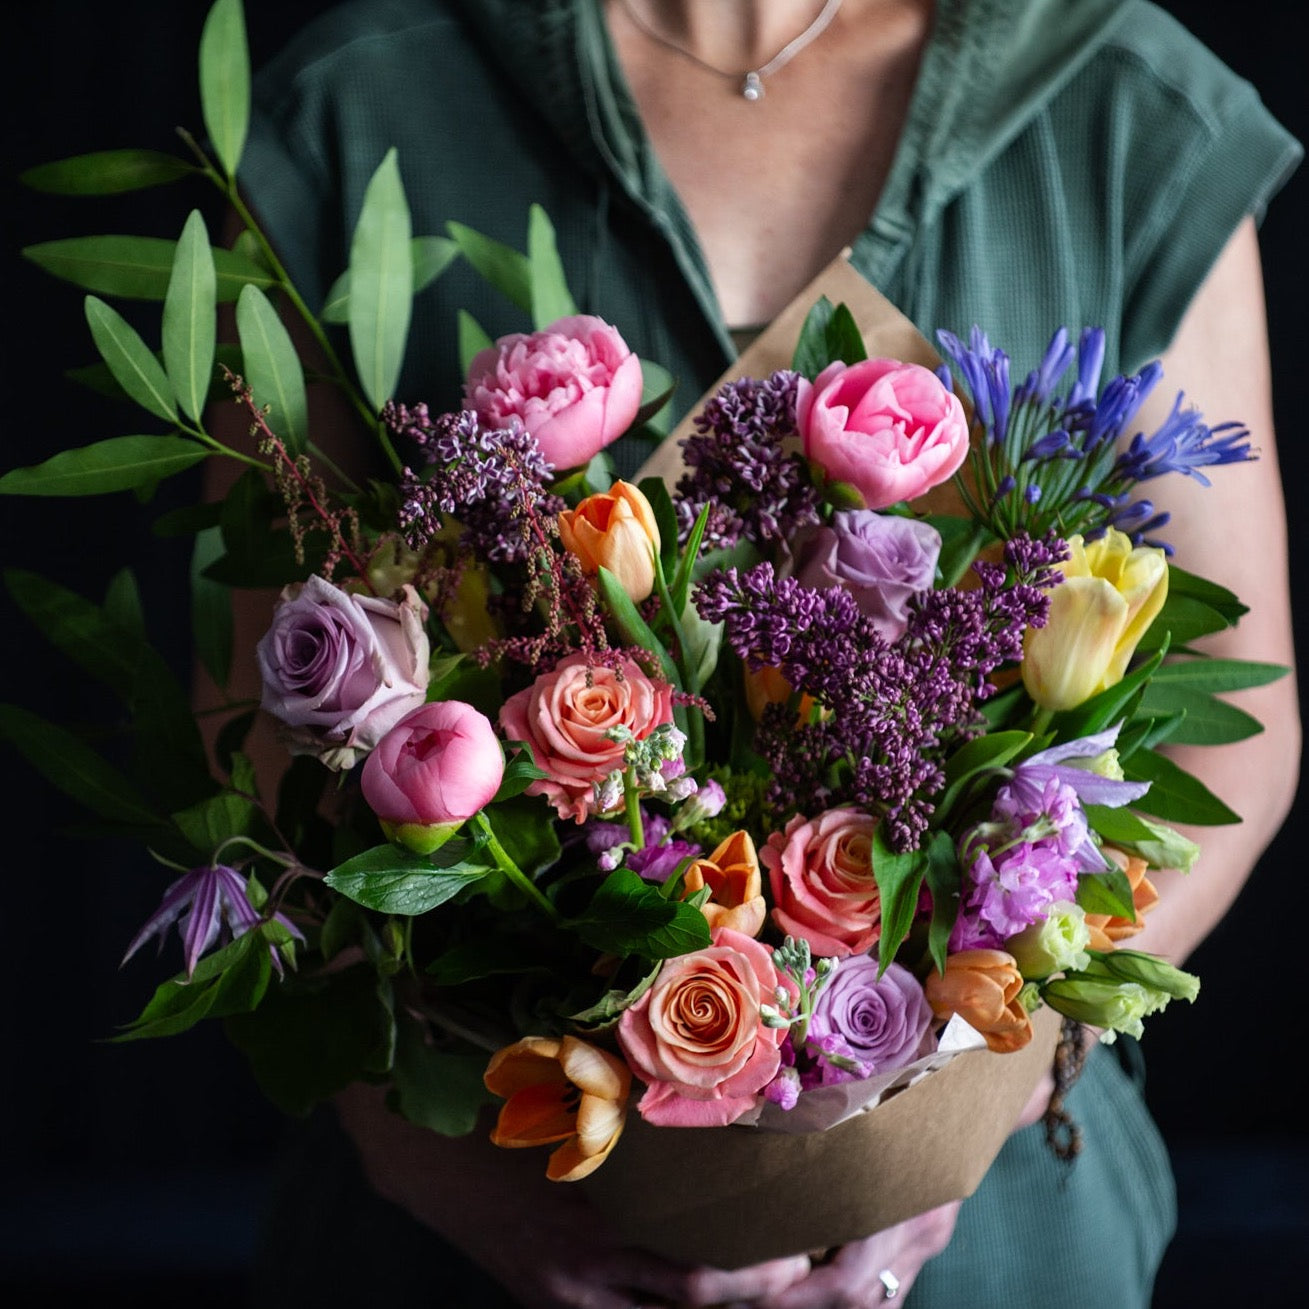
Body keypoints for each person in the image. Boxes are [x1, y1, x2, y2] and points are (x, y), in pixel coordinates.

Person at [230, 1, 1301, 1305]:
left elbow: (1228, 730)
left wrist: (976, 1087)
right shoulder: (362, 99)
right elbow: (253, 715)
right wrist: (428, 1162)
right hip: (467, 1222)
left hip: (993, 1241)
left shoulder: (1122, 102)